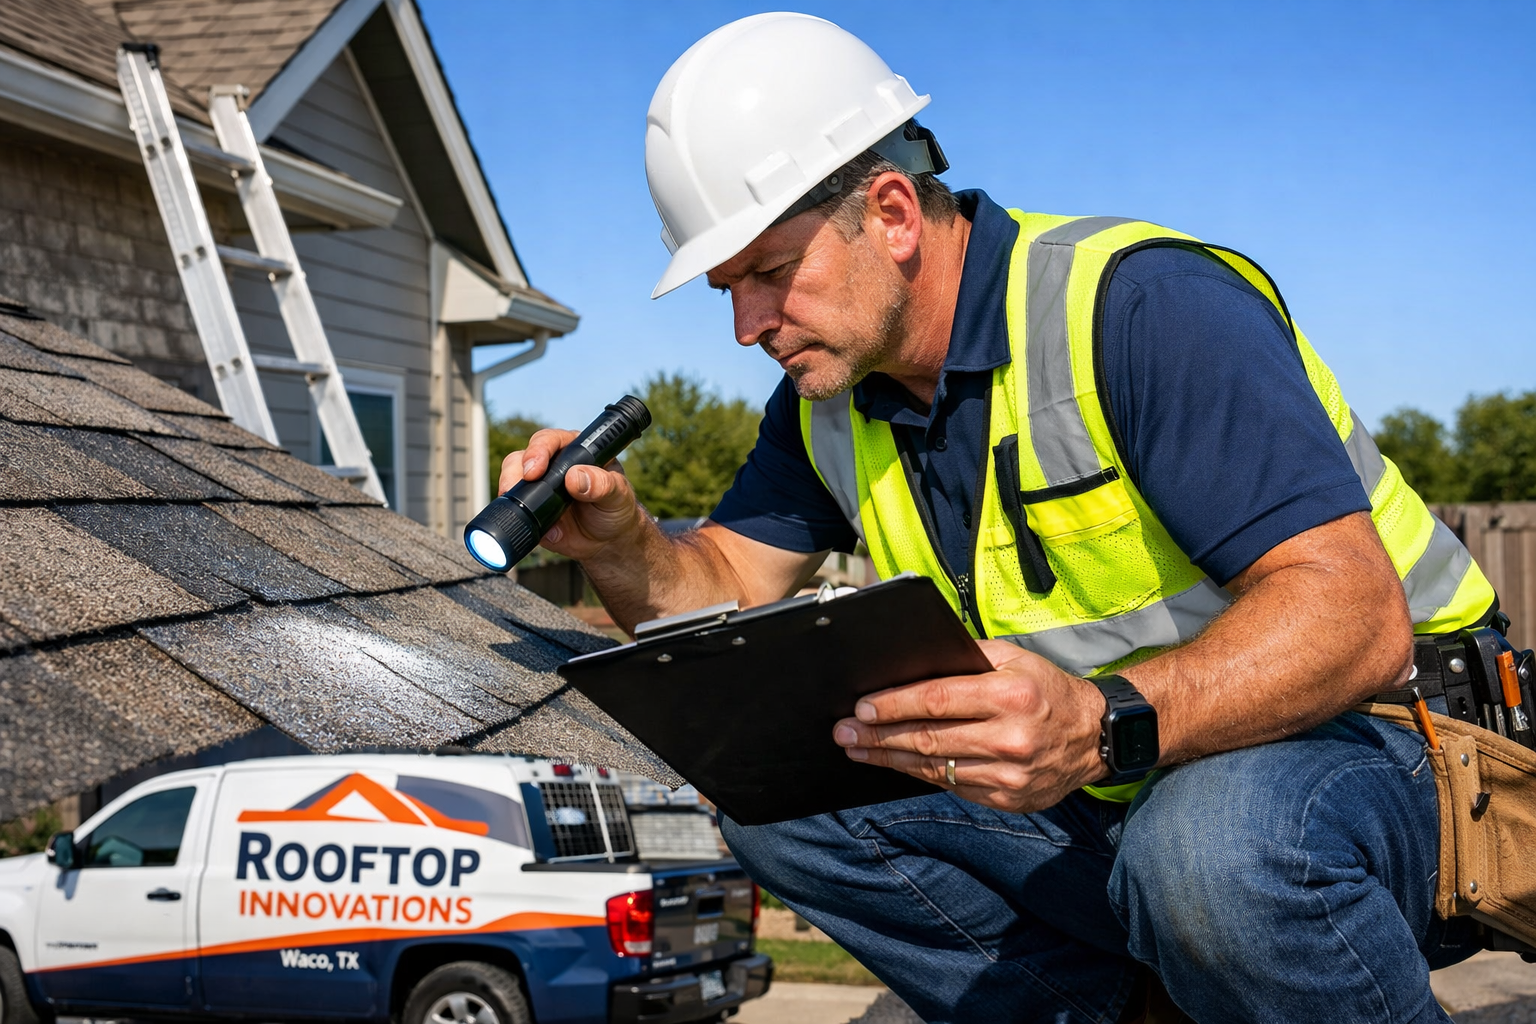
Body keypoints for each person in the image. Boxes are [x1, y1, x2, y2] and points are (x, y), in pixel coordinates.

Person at [504, 14, 1500, 1023]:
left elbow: (1356, 620)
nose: (746, 325)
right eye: (727, 288)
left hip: (1398, 745)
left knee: (1207, 849)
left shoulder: (1142, 307)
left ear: (892, 212)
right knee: (784, 800)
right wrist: (625, 547)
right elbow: (723, 589)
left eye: (770, 272)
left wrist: (1099, 722)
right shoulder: (827, 404)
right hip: (1127, 781)